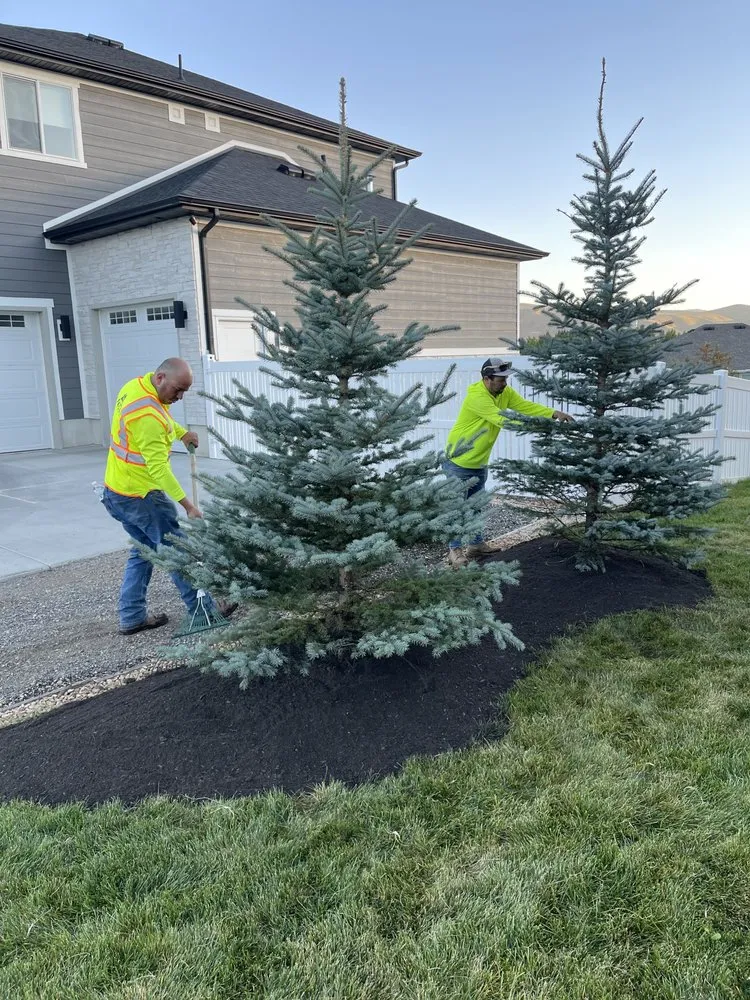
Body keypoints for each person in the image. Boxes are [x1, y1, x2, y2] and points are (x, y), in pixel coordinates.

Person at [101, 357, 233, 634]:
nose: (180, 397)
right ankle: (204, 612)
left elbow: (161, 417)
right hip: (142, 497)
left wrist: (182, 433)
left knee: (143, 552)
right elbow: (158, 468)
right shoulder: (148, 416)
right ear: (160, 378)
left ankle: (131, 615)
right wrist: (188, 506)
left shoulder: (137, 388)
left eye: (185, 391)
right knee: (177, 552)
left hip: (116, 492)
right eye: (177, 390)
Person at [443, 357, 574, 568]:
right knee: (457, 509)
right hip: (459, 462)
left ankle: (476, 546)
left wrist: (552, 413)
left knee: (477, 507)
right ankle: (454, 550)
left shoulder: (503, 392)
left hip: (478, 462)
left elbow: (524, 406)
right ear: (487, 379)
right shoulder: (477, 397)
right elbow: (502, 419)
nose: (505, 383)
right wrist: (536, 427)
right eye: (500, 379)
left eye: (505, 379)